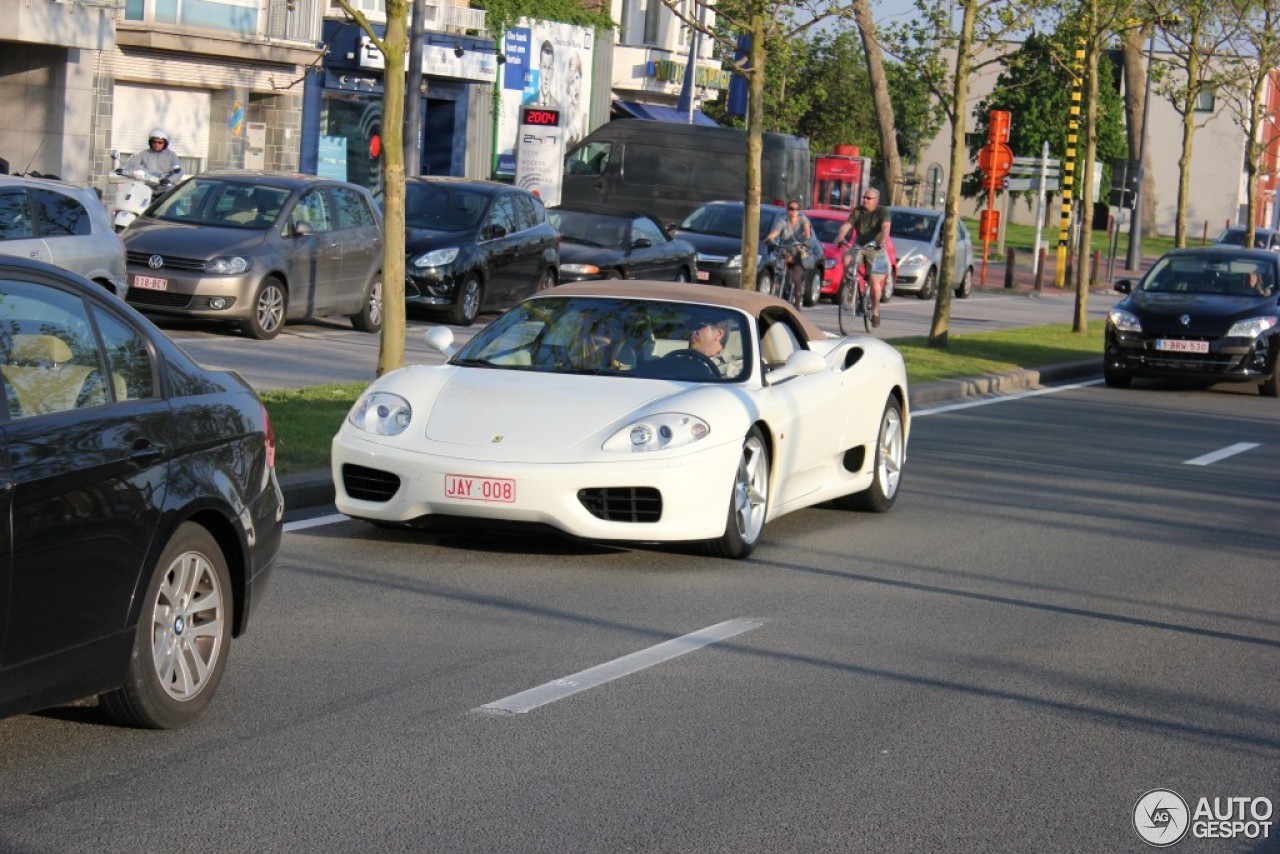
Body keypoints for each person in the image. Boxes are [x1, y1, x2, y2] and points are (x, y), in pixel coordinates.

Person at [834, 187, 892, 327]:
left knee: (874, 281)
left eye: (868, 198)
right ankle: (850, 287)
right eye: (864, 197)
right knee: (847, 258)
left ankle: (875, 311)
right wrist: (841, 235)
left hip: (876, 249)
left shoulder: (882, 211)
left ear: (876, 201)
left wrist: (884, 240)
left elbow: (885, 227)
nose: (864, 200)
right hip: (859, 246)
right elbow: (847, 226)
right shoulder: (858, 211)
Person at [765, 201, 812, 304]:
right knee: (778, 270)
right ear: (787, 210)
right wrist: (769, 238)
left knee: (796, 279)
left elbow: (807, 231)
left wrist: (807, 241)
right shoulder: (783, 221)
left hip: (798, 252)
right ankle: (777, 290)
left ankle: (797, 304)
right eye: (791, 208)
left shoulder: (803, 220)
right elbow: (775, 232)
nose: (794, 211)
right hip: (785, 251)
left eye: (796, 209)